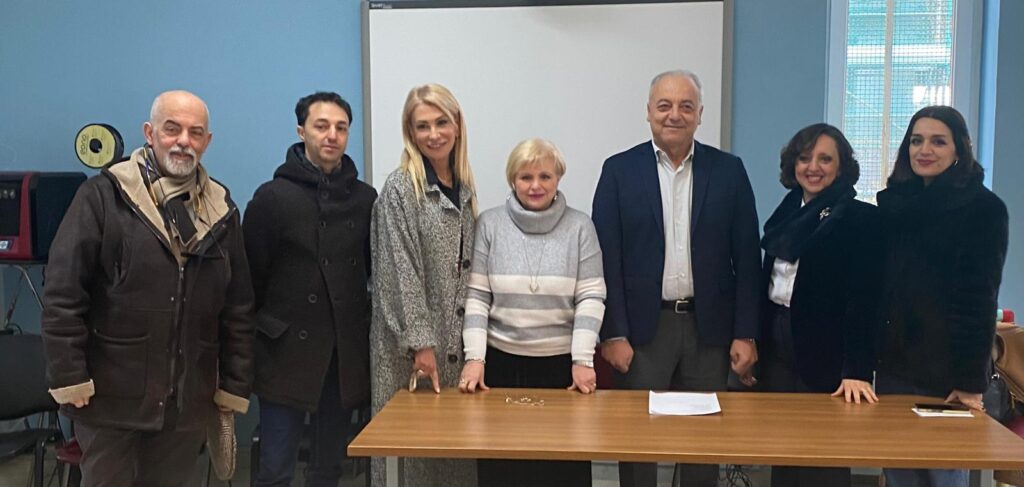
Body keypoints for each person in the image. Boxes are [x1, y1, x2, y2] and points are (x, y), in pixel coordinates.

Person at [40, 90, 254, 487]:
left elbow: (237, 308)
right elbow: (63, 293)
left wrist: (233, 385)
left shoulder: (221, 211)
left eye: (195, 132)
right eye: (172, 129)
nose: (184, 141)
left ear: (207, 141)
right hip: (110, 397)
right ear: (150, 133)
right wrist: (68, 375)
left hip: (187, 402)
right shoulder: (103, 197)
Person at [591, 70, 761, 487]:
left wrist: (746, 333)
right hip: (642, 332)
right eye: (664, 105)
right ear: (648, 112)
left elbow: (747, 258)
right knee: (637, 442)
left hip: (709, 330)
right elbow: (605, 259)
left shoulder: (729, 171)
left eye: (686, 106)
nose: (675, 115)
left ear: (700, 114)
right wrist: (613, 333)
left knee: (702, 442)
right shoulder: (618, 171)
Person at [243, 92, 377, 487]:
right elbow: (250, 279)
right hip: (283, 353)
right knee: (275, 469)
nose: (332, 135)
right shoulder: (272, 197)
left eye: (341, 127)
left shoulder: (365, 199)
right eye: (322, 126)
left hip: (342, 356)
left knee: (329, 468)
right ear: (301, 131)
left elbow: (372, 272)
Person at [458, 138, 606, 487]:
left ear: (558, 179)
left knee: (560, 470)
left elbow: (591, 296)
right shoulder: (490, 224)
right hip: (501, 365)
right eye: (526, 177)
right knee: (505, 470)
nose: (535, 185)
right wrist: (474, 357)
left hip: (562, 367)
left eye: (545, 176)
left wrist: (583, 360)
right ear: (513, 179)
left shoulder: (580, 227)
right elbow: (477, 296)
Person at [876, 105, 1008, 487]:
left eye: (938, 141)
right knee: (900, 472)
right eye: (917, 140)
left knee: (943, 474)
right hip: (895, 367)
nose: (924, 150)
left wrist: (969, 382)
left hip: (948, 373)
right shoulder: (895, 206)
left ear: (959, 149)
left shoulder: (983, 209)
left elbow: (979, 301)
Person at [756, 123, 881, 487]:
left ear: (841, 168)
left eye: (825, 159)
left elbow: (865, 301)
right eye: (805, 158)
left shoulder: (860, 219)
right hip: (778, 346)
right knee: (783, 450)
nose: (813, 167)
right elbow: (769, 284)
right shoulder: (785, 214)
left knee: (824, 455)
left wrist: (857, 370)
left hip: (828, 353)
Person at [369, 83, 478, 487]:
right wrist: (421, 344)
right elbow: (398, 271)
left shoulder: (463, 187)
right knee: (410, 463)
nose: (433, 134)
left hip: (453, 350)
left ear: (457, 125)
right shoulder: (401, 188)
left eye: (441, 122)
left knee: (451, 458)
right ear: (410, 132)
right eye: (422, 126)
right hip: (410, 353)